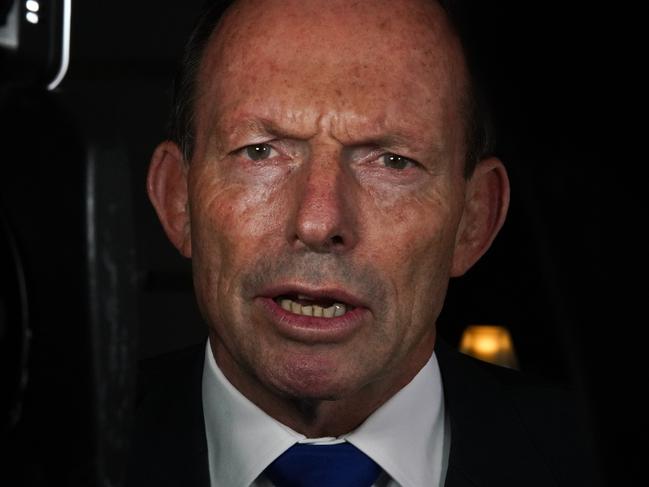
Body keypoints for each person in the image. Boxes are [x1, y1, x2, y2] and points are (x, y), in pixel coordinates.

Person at [126, 0, 595, 486]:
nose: (317, 221)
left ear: (474, 220)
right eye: (259, 152)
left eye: (393, 161)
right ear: (177, 200)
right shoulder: (50, 448)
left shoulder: (598, 460)